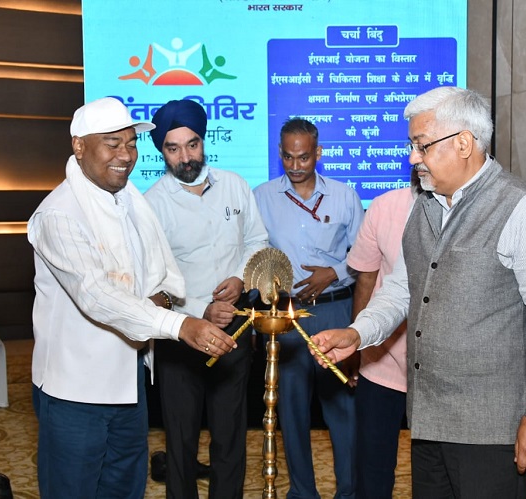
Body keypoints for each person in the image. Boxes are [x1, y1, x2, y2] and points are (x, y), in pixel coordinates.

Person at [311, 86, 526, 498]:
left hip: (492, 428)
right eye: (411, 146)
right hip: (429, 419)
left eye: (422, 145)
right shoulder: (426, 205)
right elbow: (402, 289)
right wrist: (357, 333)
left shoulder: (525, 210)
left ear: (464, 143)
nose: (412, 158)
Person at [27, 97, 236, 499]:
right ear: (79, 146)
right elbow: (97, 296)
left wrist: (163, 302)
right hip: (75, 392)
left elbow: (160, 281)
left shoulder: (129, 200)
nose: (126, 155)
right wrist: (180, 324)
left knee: (125, 489)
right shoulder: (59, 215)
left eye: (130, 143)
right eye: (112, 144)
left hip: (129, 382)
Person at [144, 99, 269, 499]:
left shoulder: (234, 185)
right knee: (180, 438)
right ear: (162, 151)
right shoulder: (151, 203)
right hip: (179, 333)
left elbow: (257, 240)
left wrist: (240, 277)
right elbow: (153, 282)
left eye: (192, 144)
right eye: (173, 148)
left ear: (204, 140)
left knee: (230, 432)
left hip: (234, 328)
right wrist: (200, 309)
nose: (185, 157)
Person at [253, 118, 364, 499]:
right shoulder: (261, 197)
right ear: (279, 153)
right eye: (288, 157)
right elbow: (252, 254)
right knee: (292, 412)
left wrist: (333, 273)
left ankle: (349, 493)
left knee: (343, 411)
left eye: (303, 157)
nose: (295, 165)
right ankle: (302, 492)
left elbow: (365, 257)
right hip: (287, 318)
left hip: (335, 310)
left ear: (318, 153)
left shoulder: (345, 196)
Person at [346, 169, 420, 499]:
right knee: (373, 470)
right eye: (414, 148)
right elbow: (367, 279)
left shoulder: (464, 210)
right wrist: (356, 346)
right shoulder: (385, 205)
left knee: (435, 471)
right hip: (381, 365)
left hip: (439, 374)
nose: (417, 158)